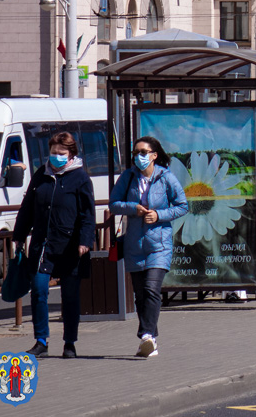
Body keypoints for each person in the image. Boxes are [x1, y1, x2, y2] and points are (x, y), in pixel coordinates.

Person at [13, 131, 95, 359]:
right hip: (43, 244)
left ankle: (69, 343)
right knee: (39, 291)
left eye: (61, 153)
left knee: (70, 296)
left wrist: (85, 241)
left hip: (70, 246)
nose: (56, 157)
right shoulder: (41, 174)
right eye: (53, 152)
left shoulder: (80, 178)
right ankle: (41, 341)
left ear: (71, 155)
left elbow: (88, 215)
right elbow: (27, 207)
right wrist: (19, 235)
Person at [110, 136, 187, 358]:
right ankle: (149, 337)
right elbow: (114, 204)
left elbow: (182, 206)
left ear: (154, 155)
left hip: (159, 244)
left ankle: (147, 335)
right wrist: (133, 208)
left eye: (143, 152)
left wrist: (159, 215)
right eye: (136, 153)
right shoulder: (128, 177)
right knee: (140, 295)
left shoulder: (166, 177)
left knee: (152, 289)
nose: (139, 157)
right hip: (134, 244)